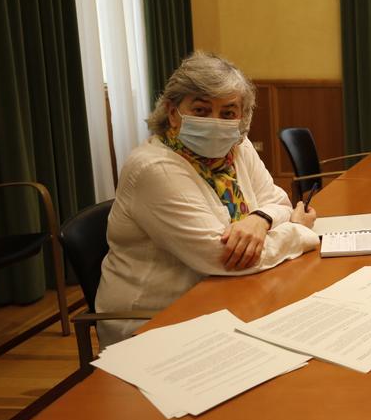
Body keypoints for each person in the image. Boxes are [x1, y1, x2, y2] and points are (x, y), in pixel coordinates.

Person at [96, 51, 319, 346]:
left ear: (242, 117)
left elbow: (277, 201)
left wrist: (259, 219)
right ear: (173, 112)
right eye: (201, 111)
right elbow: (224, 258)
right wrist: (300, 230)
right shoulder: (154, 168)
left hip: (225, 295)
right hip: (156, 321)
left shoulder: (237, 148)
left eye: (227, 113)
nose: (216, 122)